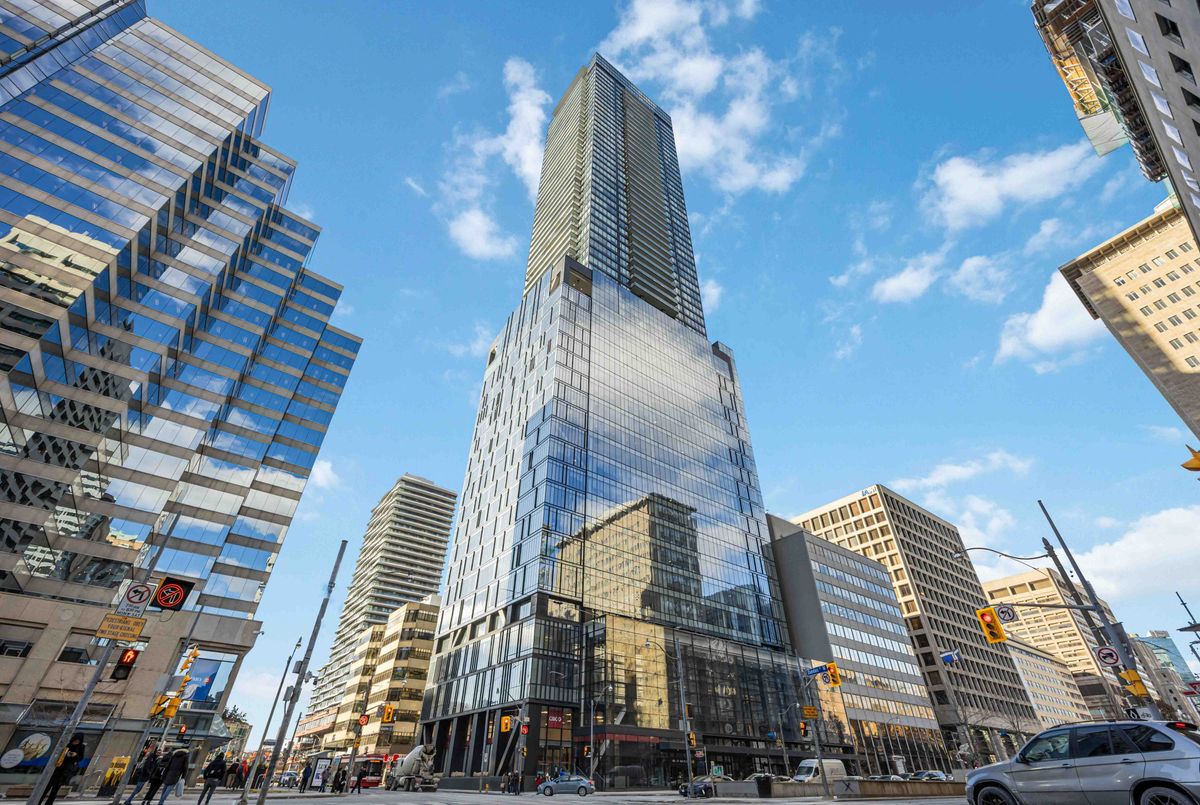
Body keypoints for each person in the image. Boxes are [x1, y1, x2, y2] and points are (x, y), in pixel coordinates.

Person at [40, 734, 86, 805]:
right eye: (76, 740)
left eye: (78, 741)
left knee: (55, 789)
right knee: (47, 787)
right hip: (56, 767)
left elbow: (80, 758)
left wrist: (75, 755)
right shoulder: (67, 743)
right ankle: (38, 801)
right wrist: (66, 753)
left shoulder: (81, 747)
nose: (77, 742)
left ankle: (49, 803)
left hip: (65, 770)